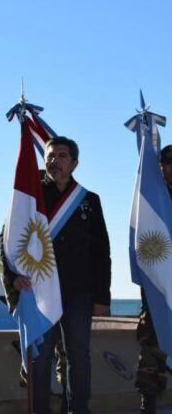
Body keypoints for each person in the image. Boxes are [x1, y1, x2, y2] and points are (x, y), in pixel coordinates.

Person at [1, 136, 111, 414]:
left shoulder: (89, 200)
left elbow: (101, 253)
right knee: (41, 356)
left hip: (79, 291)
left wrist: (102, 298)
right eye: (50, 155)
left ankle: (78, 410)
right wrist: (13, 279)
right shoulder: (30, 196)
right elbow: (7, 240)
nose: (54, 161)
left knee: (78, 357)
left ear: (74, 163)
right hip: (39, 290)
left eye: (62, 156)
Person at [135, 144, 172, 413]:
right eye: (167, 162)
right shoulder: (151, 202)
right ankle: (148, 404)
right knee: (151, 353)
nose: (170, 167)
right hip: (157, 294)